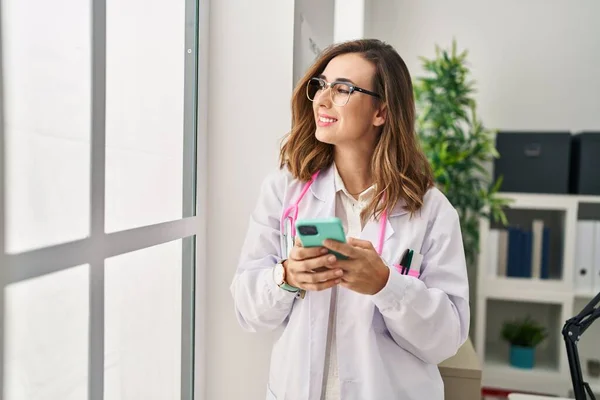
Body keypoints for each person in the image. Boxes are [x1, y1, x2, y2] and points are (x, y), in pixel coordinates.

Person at [230, 39, 470, 400]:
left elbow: (446, 339)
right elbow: (247, 310)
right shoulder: (284, 191)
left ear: (381, 112)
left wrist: (386, 285)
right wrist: (287, 276)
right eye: (321, 86)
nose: (323, 100)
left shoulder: (432, 211)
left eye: (342, 89)